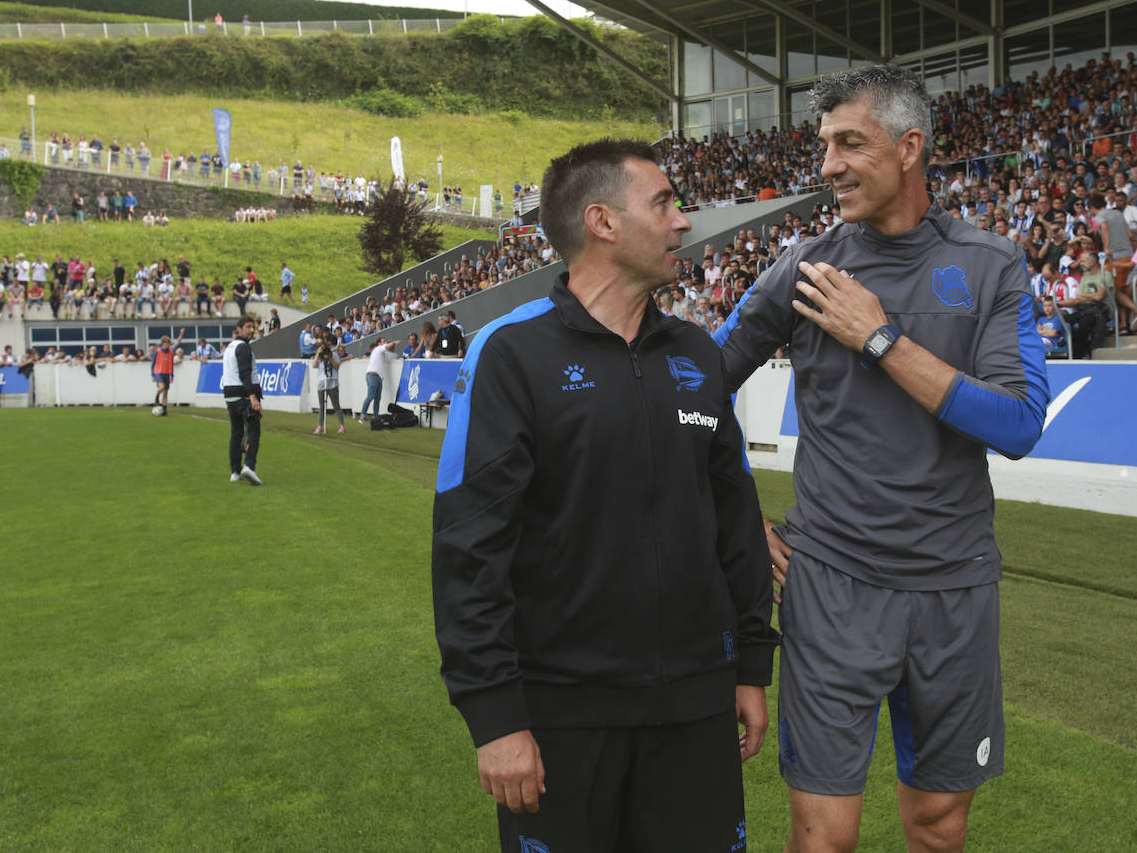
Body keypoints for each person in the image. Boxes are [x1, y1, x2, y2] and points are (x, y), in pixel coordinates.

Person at [714, 65, 1048, 853]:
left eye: (848, 143)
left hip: (955, 588)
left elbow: (1021, 423)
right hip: (830, 586)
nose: (827, 164)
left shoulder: (991, 264)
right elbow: (692, 392)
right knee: (822, 837)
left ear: (909, 147)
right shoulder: (804, 266)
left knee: (939, 826)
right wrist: (731, 506)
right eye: (825, 145)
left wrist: (879, 339)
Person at [432, 138, 776, 852]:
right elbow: (470, 547)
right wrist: (495, 716)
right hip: (561, 717)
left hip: (694, 707)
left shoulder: (697, 354)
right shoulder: (509, 353)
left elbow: (736, 519)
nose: (684, 222)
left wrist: (749, 664)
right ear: (603, 222)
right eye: (665, 202)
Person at [221, 315, 263, 485]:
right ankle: (249, 466)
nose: (252, 330)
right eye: (248, 327)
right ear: (239, 328)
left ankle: (235, 471)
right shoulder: (244, 348)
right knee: (253, 430)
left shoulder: (230, 347)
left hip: (230, 394)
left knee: (236, 432)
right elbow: (245, 373)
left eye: (253, 327)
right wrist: (253, 396)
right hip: (243, 394)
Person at [358, 337, 398, 425]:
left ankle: (375, 417)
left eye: (385, 341)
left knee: (377, 398)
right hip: (372, 375)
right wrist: (394, 342)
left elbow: (392, 352)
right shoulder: (378, 349)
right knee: (370, 396)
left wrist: (392, 345)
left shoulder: (382, 351)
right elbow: (389, 346)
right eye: (383, 341)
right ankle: (362, 416)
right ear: (379, 343)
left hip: (378, 377)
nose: (385, 343)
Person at [312, 334, 346, 435]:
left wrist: (330, 358)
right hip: (322, 382)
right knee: (322, 407)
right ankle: (319, 426)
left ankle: (342, 425)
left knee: (336, 406)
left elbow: (337, 366)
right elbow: (314, 365)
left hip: (332, 382)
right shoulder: (320, 354)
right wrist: (318, 354)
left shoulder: (334, 355)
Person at [150, 328, 186, 413]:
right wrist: (153, 374)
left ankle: (164, 409)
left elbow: (177, 343)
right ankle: (156, 397)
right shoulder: (158, 351)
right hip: (159, 372)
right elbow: (153, 363)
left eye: (169, 344)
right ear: (163, 343)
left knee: (165, 392)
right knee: (161, 387)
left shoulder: (170, 352)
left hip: (167, 373)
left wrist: (172, 375)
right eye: (167, 344)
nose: (168, 345)